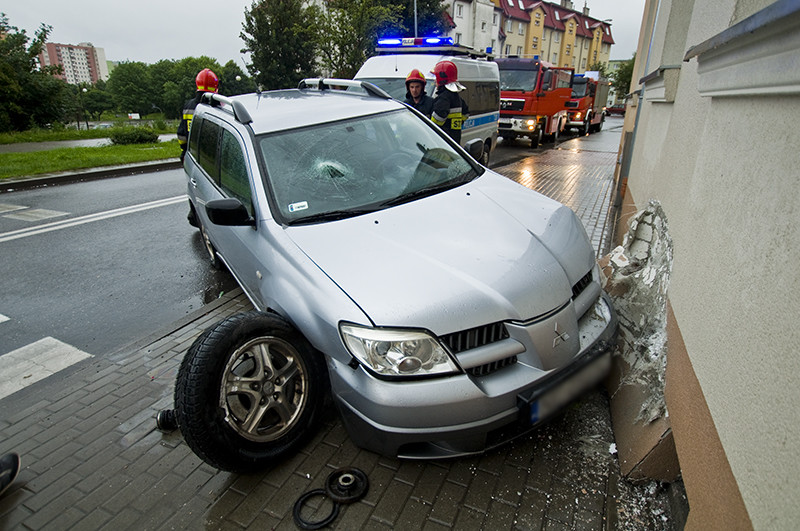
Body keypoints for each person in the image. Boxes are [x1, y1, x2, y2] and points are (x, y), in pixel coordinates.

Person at [177, 68, 219, 162]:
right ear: (215, 86)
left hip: (192, 156)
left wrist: (184, 151)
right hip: (211, 160)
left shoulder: (188, 106)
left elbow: (181, 133)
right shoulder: (216, 108)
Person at [430, 60, 469, 144]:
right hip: (455, 140)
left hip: (444, 142)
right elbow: (466, 114)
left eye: (436, 78)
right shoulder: (456, 96)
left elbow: (438, 118)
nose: (434, 81)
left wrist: (429, 127)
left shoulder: (444, 98)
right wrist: (454, 124)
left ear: (441, 79)